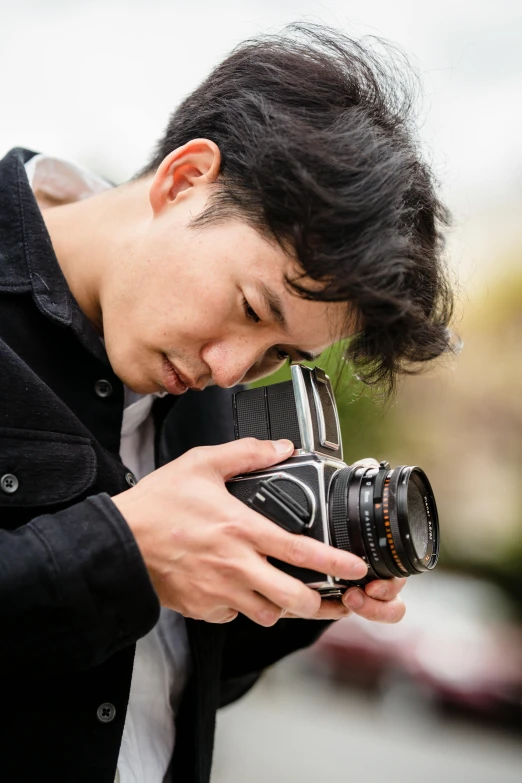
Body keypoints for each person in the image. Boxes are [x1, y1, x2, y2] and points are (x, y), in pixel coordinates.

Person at [0, 24, 454, 783]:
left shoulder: (210, 402)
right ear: (184, 179)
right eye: (250, 306)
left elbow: (151, 687)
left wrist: (292, 595)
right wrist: (124, 553)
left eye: (282, 355)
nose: (231, 369)